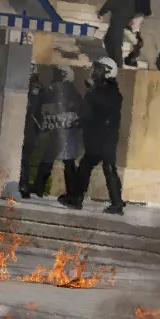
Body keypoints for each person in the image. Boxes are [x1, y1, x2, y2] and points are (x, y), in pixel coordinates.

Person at [59, 57, 125, 215]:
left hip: (105, 138)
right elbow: (92, 113)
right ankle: (78, 198)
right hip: (98, 137)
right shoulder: (101, 89)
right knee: (87, 165)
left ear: (107, 73)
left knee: (106, 167)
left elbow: (103, 107)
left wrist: (92, 93)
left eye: (99, 69)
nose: (95, 72)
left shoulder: (110, 91)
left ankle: (115, 204)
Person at [34, 65, 83, 201]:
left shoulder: (66, 90)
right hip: (62, 131)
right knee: (52, 159)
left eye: (58, 74)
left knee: (65, 162)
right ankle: (40, 186)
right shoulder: (66, 90)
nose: (55, 76)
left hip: (65, 131)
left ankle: (69, 192)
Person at [19, 61, 45, 199]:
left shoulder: (34, 89)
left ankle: (24, 186)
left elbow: (32, 108)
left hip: (29, 127)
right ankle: (23, 185)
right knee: (25, 159)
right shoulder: (38, 88)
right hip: (30, 128)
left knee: (24, 158)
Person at [98, 0, 135, 69]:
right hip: (124, 13)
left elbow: (114, 0)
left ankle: (118, 65)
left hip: (121, 14)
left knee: (115, 40)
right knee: (109, 39)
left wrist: (102, 11)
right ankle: (115, 62)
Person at [124, 0, 153, 68]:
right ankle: (134, 57)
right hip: (142, 6)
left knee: (124, 28)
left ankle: (136, 44)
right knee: (135, 31)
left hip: (135, 7)